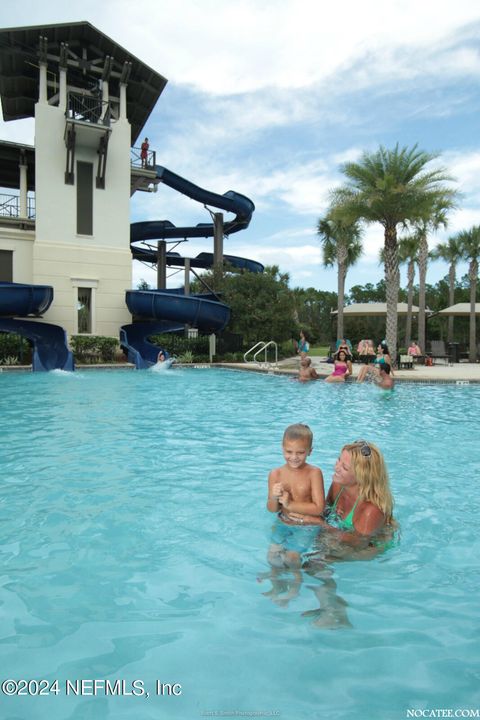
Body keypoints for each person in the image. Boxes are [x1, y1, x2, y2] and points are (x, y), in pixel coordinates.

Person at [289, 439, 394, 547]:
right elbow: (325, 512)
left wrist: (319, 524)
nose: (336, 468)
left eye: (344, 467)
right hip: (341, 535)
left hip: (370, 548)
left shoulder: (371, 510)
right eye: (338, 460)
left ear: (361, 477)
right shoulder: (337, 485)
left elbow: (360, 543)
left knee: (315, 558)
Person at [266, 423, 325, 568]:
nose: (294, 457)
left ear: (309, 451)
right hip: (283, 522)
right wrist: (274, 497)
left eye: (300, 453)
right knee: (272, 557)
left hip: (306, 525)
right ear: (282, 448)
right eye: (289, 451)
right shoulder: (276, 474)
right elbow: (272, 509)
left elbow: (319, 508)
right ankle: (276, 583)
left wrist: (290, 505)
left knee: (292, 557)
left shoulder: (314, 473)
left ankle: (295, 585)